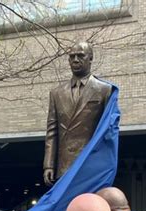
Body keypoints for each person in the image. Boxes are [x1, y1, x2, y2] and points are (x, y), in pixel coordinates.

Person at [43, 41, 112, 186]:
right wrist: (49, 165)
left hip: (90, 162)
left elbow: (108, 132)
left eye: (80, 56)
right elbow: (52, 132)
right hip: (65, 164)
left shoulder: (105, 90)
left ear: (91, 58)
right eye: (71, 56)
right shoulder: (56, 93)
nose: (75, 60)